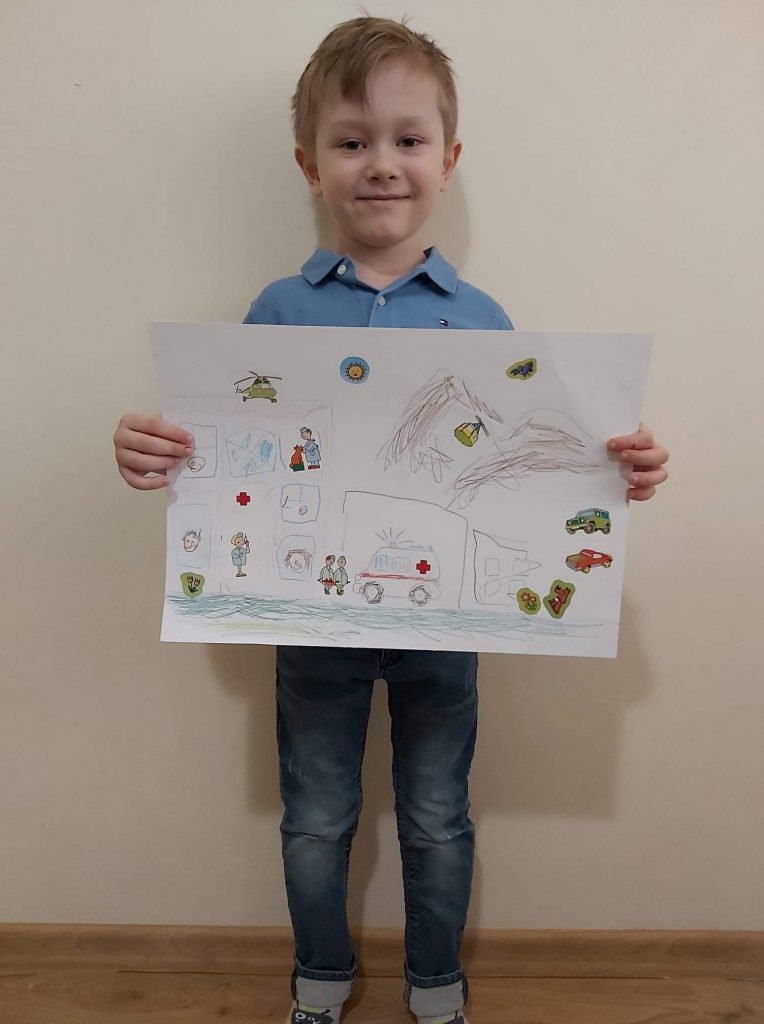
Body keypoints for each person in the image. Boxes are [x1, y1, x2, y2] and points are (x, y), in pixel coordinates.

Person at [113, 16, 670, 1024]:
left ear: (447, 161)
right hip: (313, 627)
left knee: (437, 816)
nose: (381, 163)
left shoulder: (485, 321)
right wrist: (154, 451)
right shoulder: (276, 312)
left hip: (444, 627)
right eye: (351, 140)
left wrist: (611, 473)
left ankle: (436, 985)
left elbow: (520, 467)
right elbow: (229, 450)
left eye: (408, 139)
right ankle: (319, 978)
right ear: (309, 164)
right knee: (316, 816)